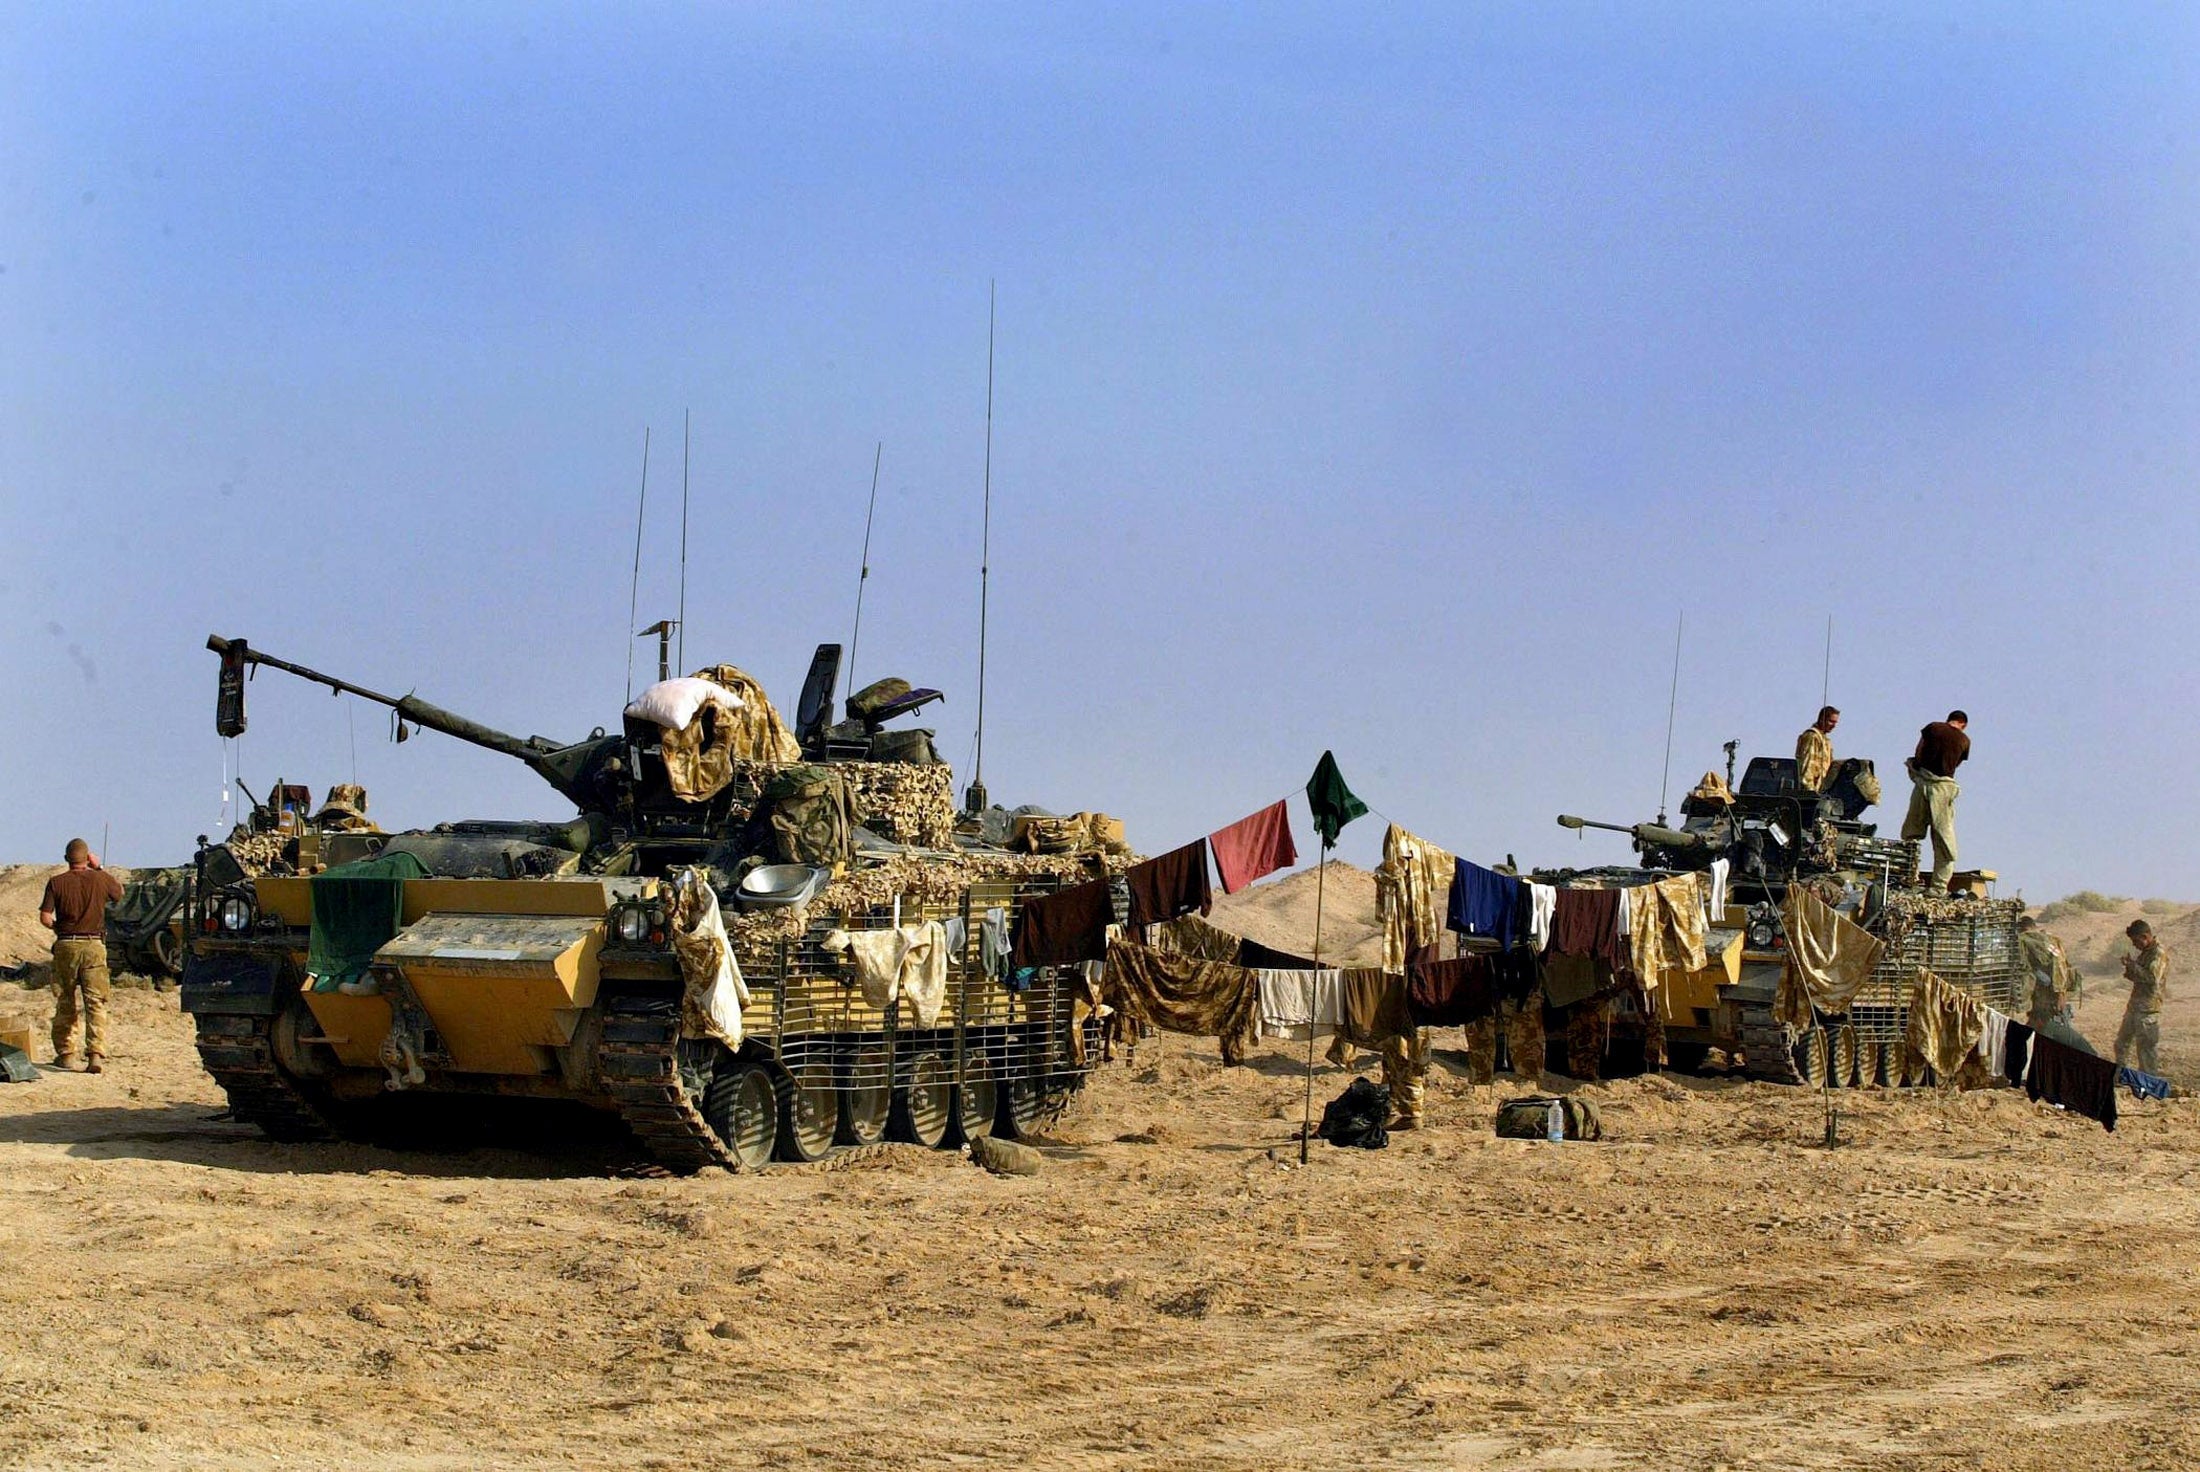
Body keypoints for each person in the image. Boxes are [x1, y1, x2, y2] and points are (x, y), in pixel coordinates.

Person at [37, 838, 124, 1073]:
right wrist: (99, 868)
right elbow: (119, 893)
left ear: (66, 859)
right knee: (96, 1002)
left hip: (66, 945)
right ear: (88, 858)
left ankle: (66, 1054)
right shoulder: (100, 878)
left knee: (65, 1000)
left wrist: (60, 928)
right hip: (94, 946)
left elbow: (45, 918)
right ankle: (95, 1055)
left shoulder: (56, 882)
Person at [1902, 710, 1969, 891]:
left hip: (1922, 783)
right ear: (1963, 725)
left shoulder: (1933, 727)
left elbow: (1919, 750)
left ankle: (1907, 878)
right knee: (1944, 841)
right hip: (1943, 788)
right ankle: (1939, 888)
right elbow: (1954, 765)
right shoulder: (1964, 740)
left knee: (1911, 834)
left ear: (1949, 720)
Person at [2114, 919, 2169, 1074]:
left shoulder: (2158, 953)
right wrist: (2130, 967)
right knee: (2121, 1043)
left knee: (2145, 1048)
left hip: (2148, 1009)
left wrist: (2133, 966)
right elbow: (2139, 977)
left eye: (2135, 941)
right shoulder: (2146, 953)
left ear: (2145, 936)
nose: (2134, 945)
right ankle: (2120, 1075)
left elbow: (2152, 978)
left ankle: (2148, 1082)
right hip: (2135, 1006)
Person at [2017, 915, 2078, 1029]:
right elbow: (2061, 963)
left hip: (2048, 991)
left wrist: (2059, 992)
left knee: (2052, 1021)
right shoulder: (2050, 939)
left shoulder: (2028, 940)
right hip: (2048, 989)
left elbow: (2057, 964)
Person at [1794, 706, 1840, 792]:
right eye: (1831, 721)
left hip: (1821, 789)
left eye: (1835, 723)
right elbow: (1807, 763)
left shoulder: (1825, 740)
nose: (1834, 726)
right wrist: (1809, 791)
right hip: (1810, 790)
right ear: (1822, 719)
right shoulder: (1812, 736)